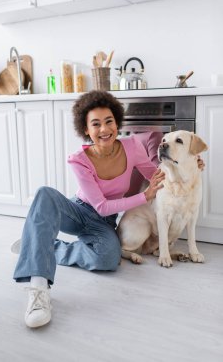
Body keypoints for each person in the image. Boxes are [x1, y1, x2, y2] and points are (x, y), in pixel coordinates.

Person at [13, 90, 203, 329]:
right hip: (78, 211)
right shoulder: (78, 160)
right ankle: (39, 290)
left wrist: (189, 164)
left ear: (116, 123)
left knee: (109, 259)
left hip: (104, 222)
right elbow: (101, 206)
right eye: (96, 124)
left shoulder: (132, 147)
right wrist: (143, 196)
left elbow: (156, 175)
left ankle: (43, 246)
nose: (104, 129)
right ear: (86, 129)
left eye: (109, 121)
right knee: (44, 194)